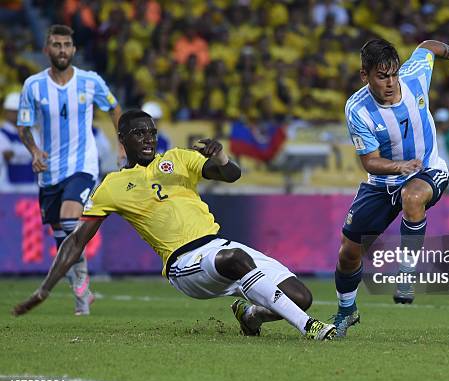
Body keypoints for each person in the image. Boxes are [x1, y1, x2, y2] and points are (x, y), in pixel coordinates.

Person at [12, 110, 337, 341]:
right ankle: (309, 327)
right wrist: (45, 289)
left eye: (152, 132)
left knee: (299, 295)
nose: (148, 139)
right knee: (238, 259)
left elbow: (231, 175)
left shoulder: (178, 158)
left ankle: (250, 316)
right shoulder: (111, 185)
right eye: (139, 133)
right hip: (184, 265)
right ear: (122, 139)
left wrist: (221, 158)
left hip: (216, 246)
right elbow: (75, 242)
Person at [333, 38, 449, 337]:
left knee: (412, 196)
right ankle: (346, 311)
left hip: (427, 169)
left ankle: (406, 273)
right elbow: (369, 162)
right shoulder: (358, 109)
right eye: (382, 76)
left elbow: (429, 46)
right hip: (382, 182)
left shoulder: (415, 76)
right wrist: (398, 167)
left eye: (393, 74)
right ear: (365, 75)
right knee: (348, 254)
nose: (390, 83)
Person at [16, 25, 122, 315]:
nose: (62, 50)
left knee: (68, 219)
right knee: (62, 234)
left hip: (83, 166)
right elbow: (24, 127)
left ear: (74, 50)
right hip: (49, 171)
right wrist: (35, 151)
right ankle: (83, 290)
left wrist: (121, 145)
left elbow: (114, 108)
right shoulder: (33, 86)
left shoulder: (90, 81)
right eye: (56, 44)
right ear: (46, 49)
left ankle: (80, 292)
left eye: (67, 45)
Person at [0, 92, 38, 193]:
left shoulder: (32, 132)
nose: (15, 114)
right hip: (8, 188)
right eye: (12, 111)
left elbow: (40, 154)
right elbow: (8, 155)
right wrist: (31, 152)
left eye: (17, 111)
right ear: (6, 112)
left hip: (31, 187)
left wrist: (16, 153)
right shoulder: (2, 133)